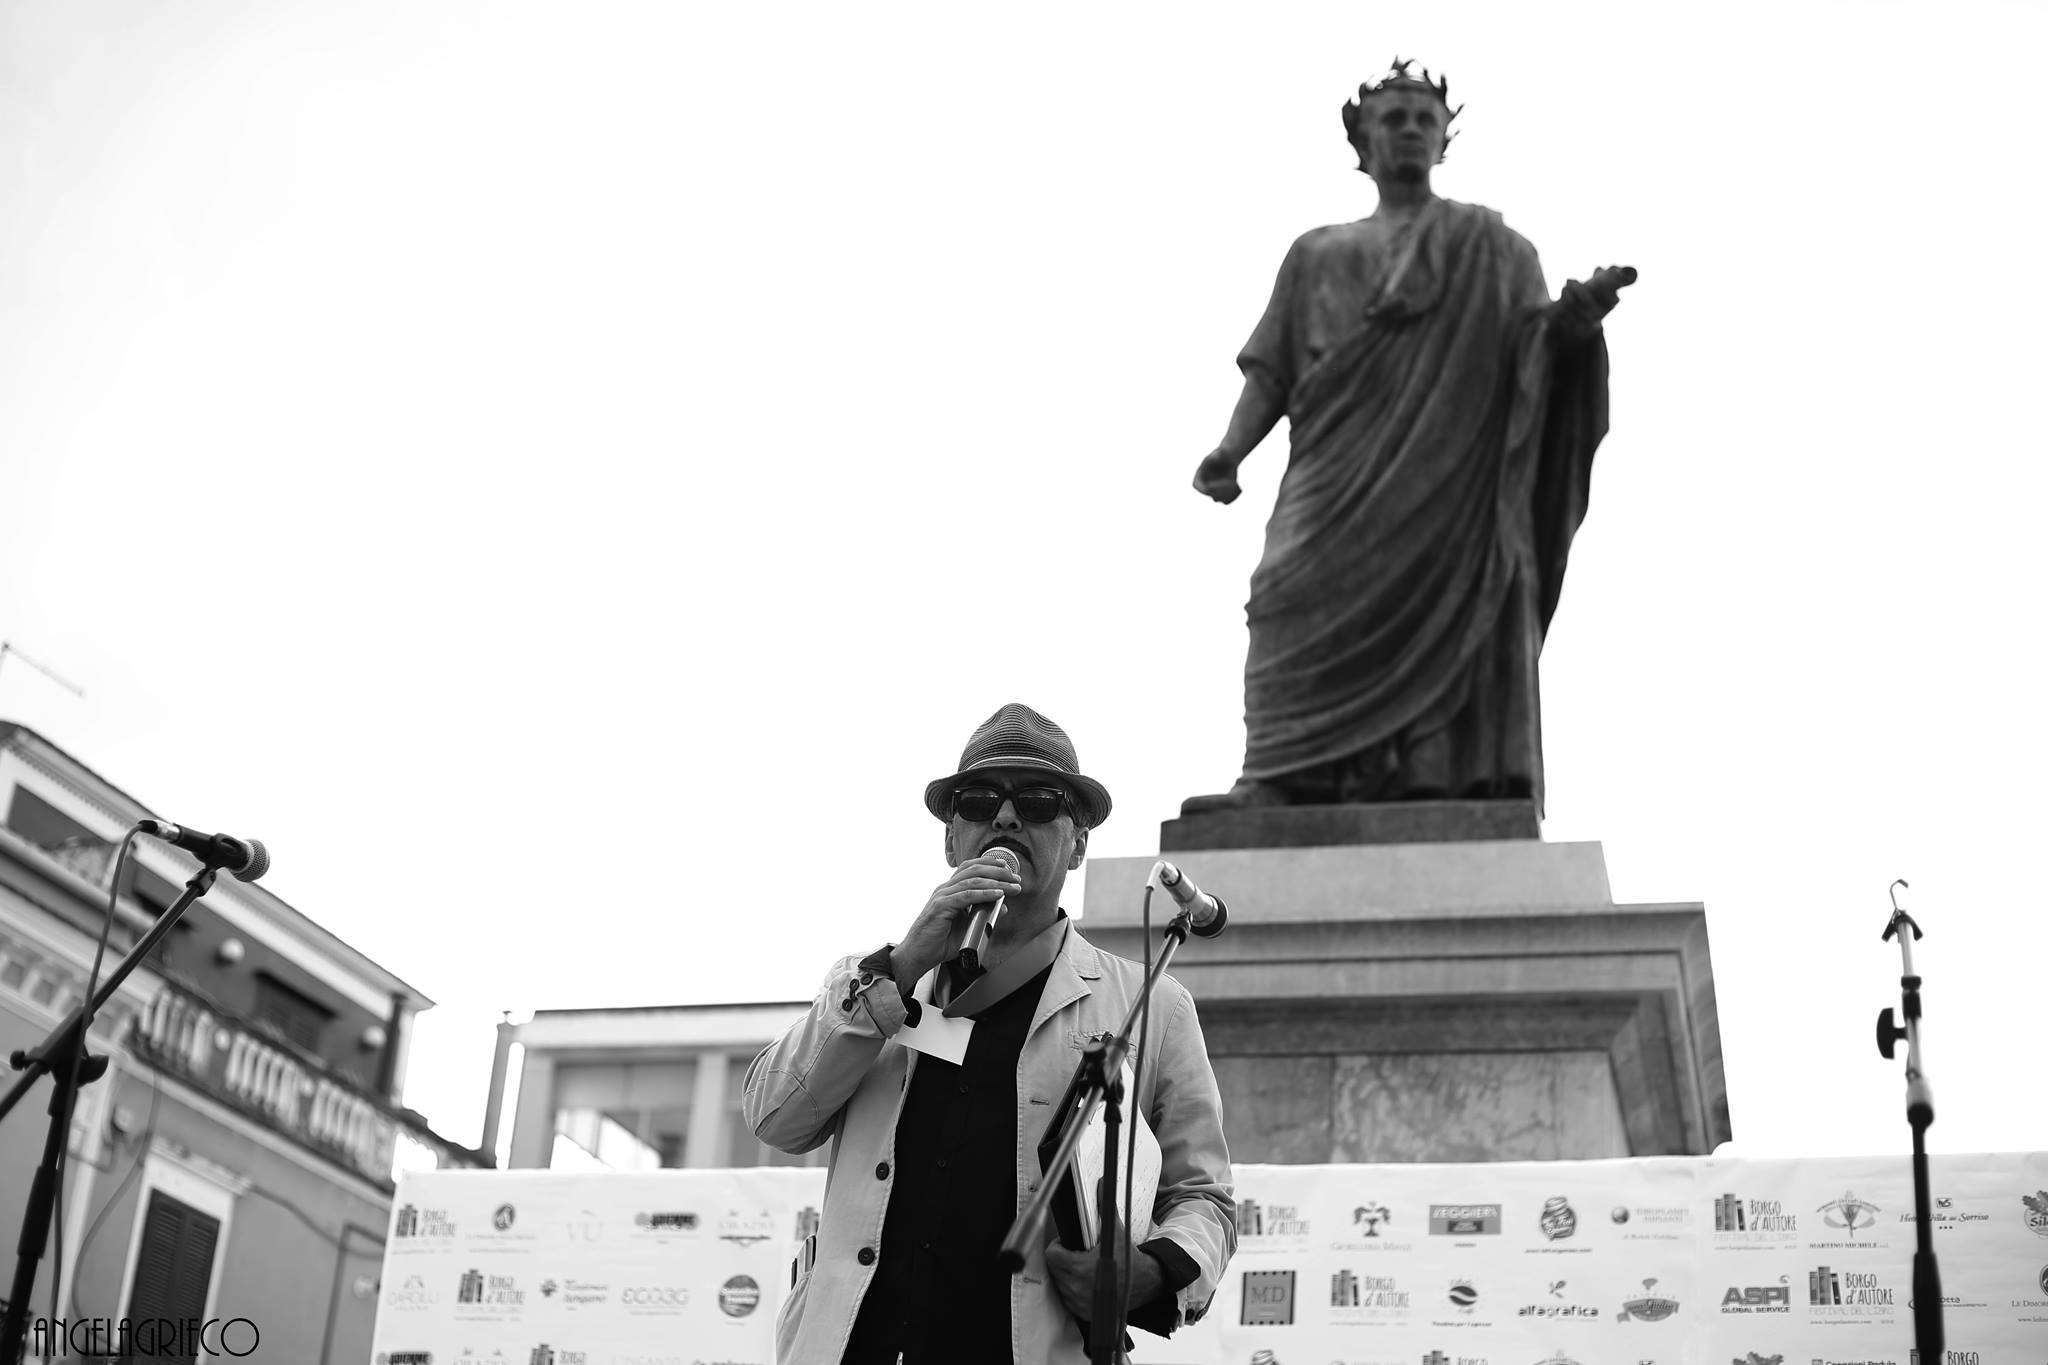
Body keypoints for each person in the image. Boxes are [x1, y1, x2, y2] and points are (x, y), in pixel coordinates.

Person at [1186, 60, 1628, 815]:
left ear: (1445, 138)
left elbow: (1537, 355)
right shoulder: (1317, 252)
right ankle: (1280, 773)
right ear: (1362, 140)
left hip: (1451, 480)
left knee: (1450, 604)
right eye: (1394, 118)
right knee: (1282, 593)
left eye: (1426, 119)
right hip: (1335, 471)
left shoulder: (1497, 250)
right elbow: (1272, 369)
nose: (1411, 131)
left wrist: (1578, 321)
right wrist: (1230, 449)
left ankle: (1432, 772)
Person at [744, 702, 1235, 1364]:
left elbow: (1204, 1197)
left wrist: (1149, 1271)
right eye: (978, 801)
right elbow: (774, 1118)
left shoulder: (1152, 1005)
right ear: (952, 841)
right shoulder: (874, 980)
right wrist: (900, 967)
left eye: (1038, 801)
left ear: (1078, 845)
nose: (1005, 817)